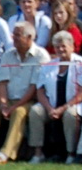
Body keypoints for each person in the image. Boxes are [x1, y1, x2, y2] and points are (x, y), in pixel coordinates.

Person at [0, 22, 49, 162]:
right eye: (13, 34)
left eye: (17, 35)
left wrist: (14, 107)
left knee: (19, 113)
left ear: (29, 37)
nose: (13, 38)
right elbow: (2, 83)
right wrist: (4, 105)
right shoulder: (8, 55)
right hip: (8, 99)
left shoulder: (41, 56)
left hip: (29, 100)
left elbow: (34, 87)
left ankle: (5, 154)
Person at [29, 31, 82, 163]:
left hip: (73, 105)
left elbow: (81, 93)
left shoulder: (80, 63)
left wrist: (63, 108)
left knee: (71, 114)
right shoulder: (49, 65)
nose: (60, 49)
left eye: (63, 46)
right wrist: (49, 108)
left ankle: (70, 153)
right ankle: (38, 153)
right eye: (57, 47)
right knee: (35, 111)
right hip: (51, 106)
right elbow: (40, 90)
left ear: (72, 46)